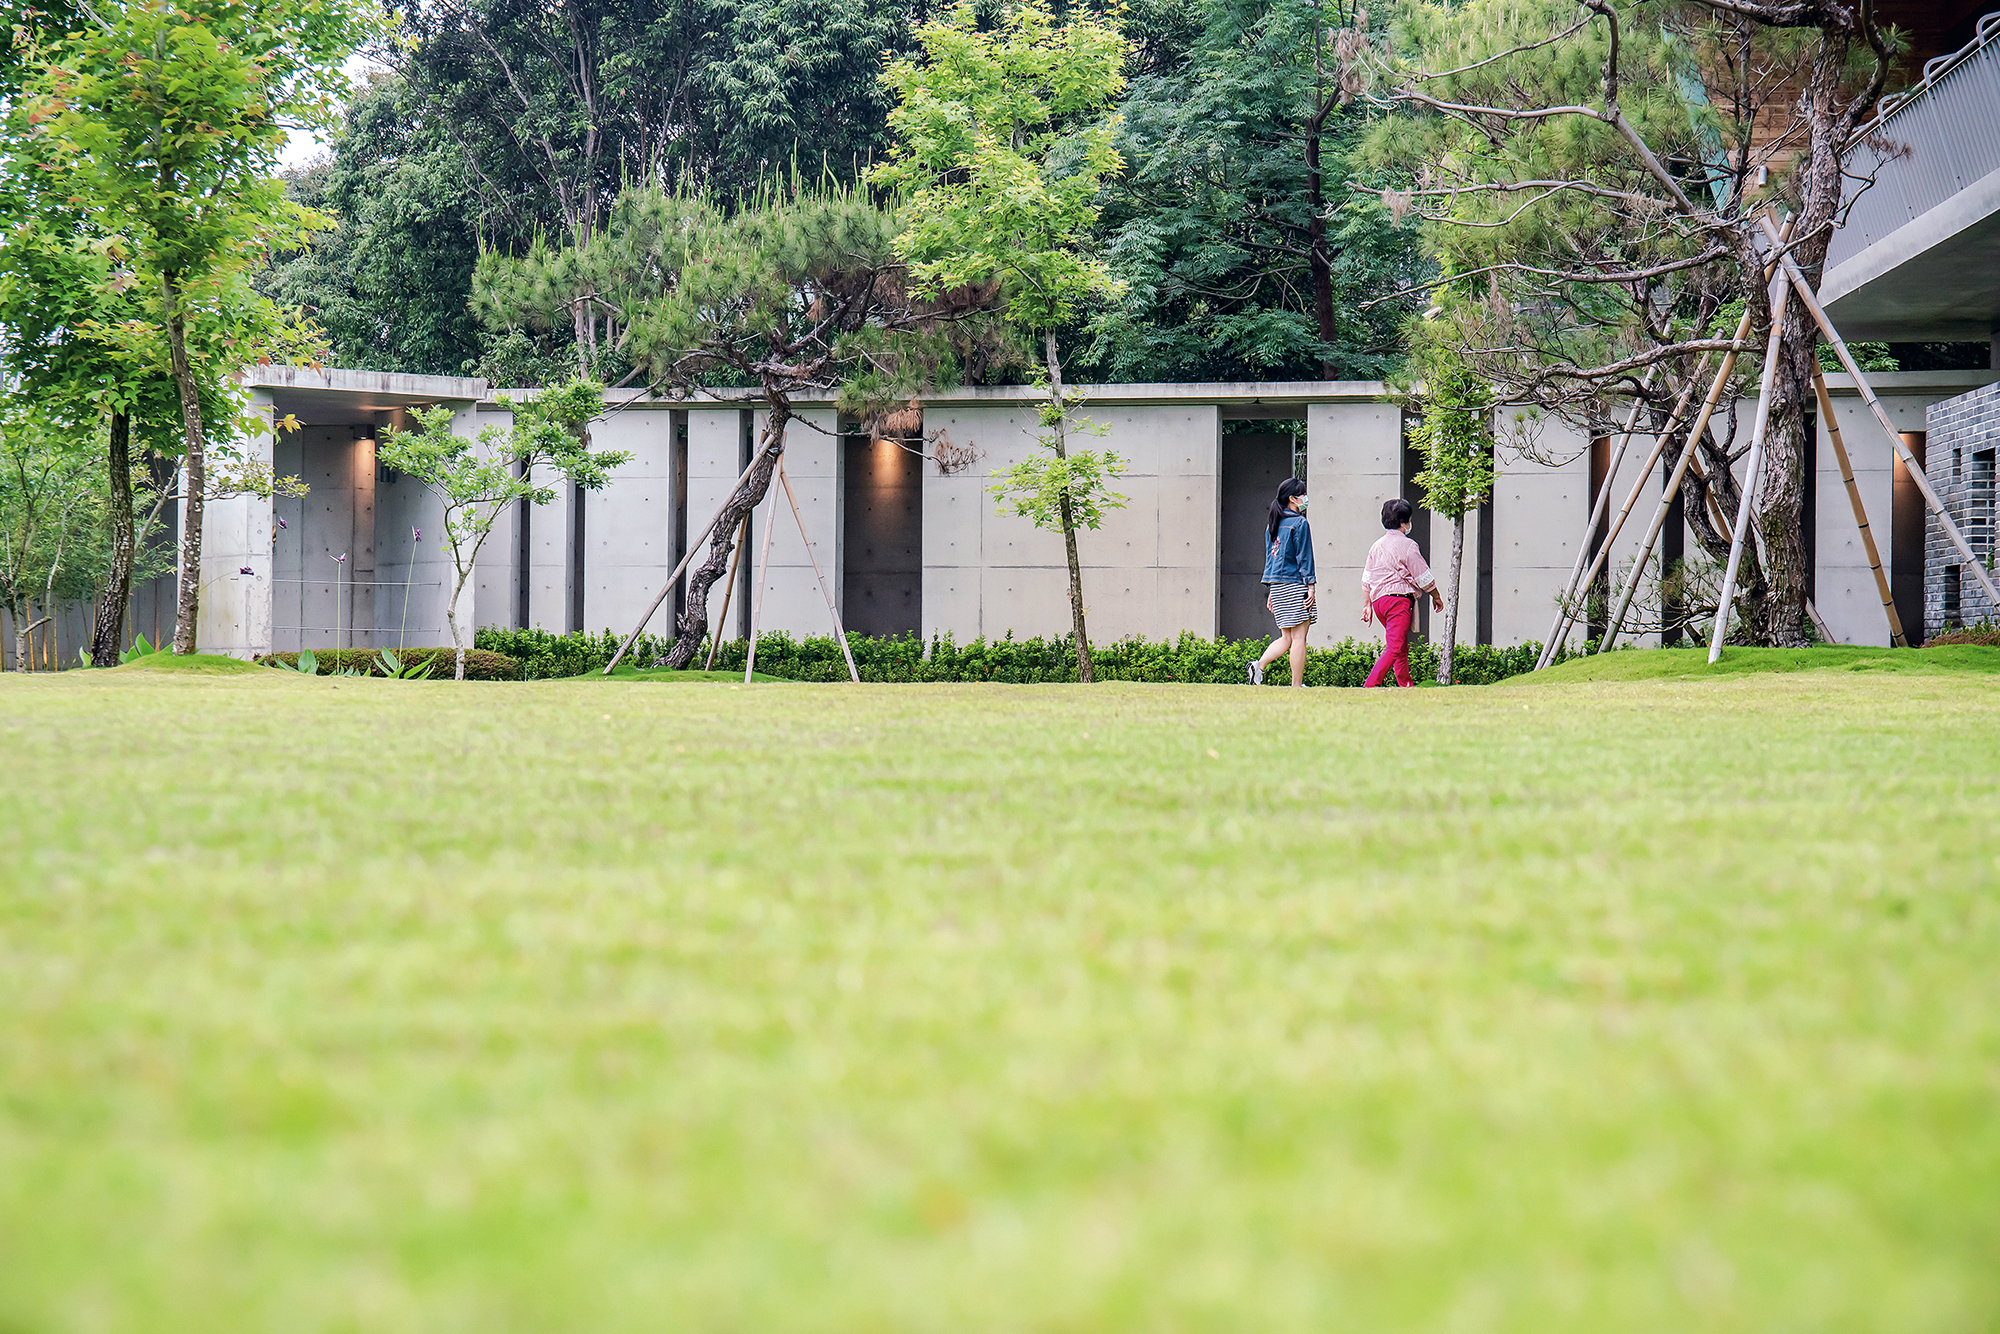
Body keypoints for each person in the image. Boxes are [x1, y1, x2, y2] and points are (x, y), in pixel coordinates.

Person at [1361, 497, 1443, 688]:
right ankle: (1370, 685)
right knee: (1395, 646)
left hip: (1378, 602)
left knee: (1400, 645)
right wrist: (1436, 596)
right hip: (1398, 601)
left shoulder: (1376, 546)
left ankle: (1406, 685)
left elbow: (1366, 578)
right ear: (1404, 522)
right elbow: (1423, 576)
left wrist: (1366, 605)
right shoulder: (1409, 546)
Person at [1247, 478, 1315, 687]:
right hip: (1295, 584)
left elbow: (1271, 560)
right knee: (1299, 637)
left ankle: (1258, 666)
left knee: (1287, 638)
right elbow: (1305, 557)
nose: (1305, 498)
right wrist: (1311, 586)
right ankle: (1296, 685)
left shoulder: (1273, 525)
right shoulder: (1300, 523)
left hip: (1277, 586)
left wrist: (1271, 590)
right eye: (1302, 494)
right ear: (1292, 498)